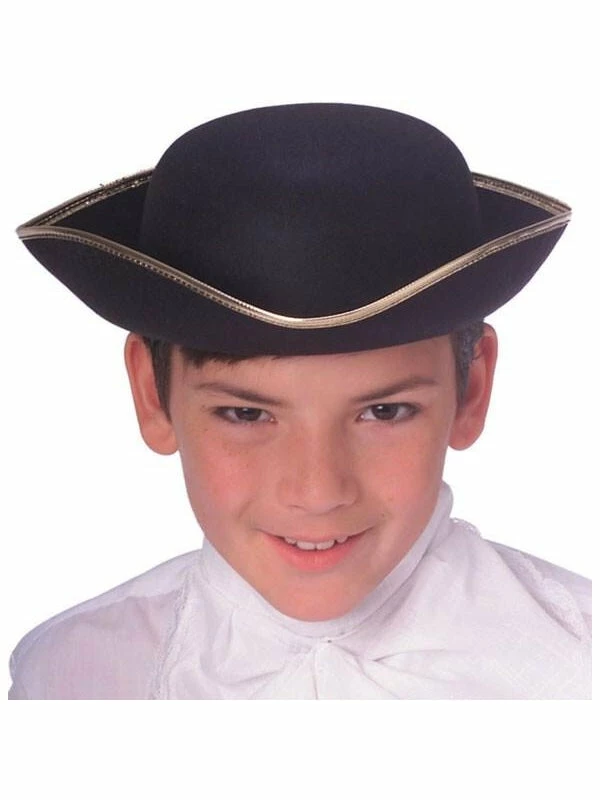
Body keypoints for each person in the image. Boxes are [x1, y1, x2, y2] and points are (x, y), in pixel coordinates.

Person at [8, 103, 591, 699]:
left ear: (472, 391)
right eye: (246, 414)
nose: (318, 492)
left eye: (384, 411)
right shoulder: (68, 677)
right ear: (152, 395)